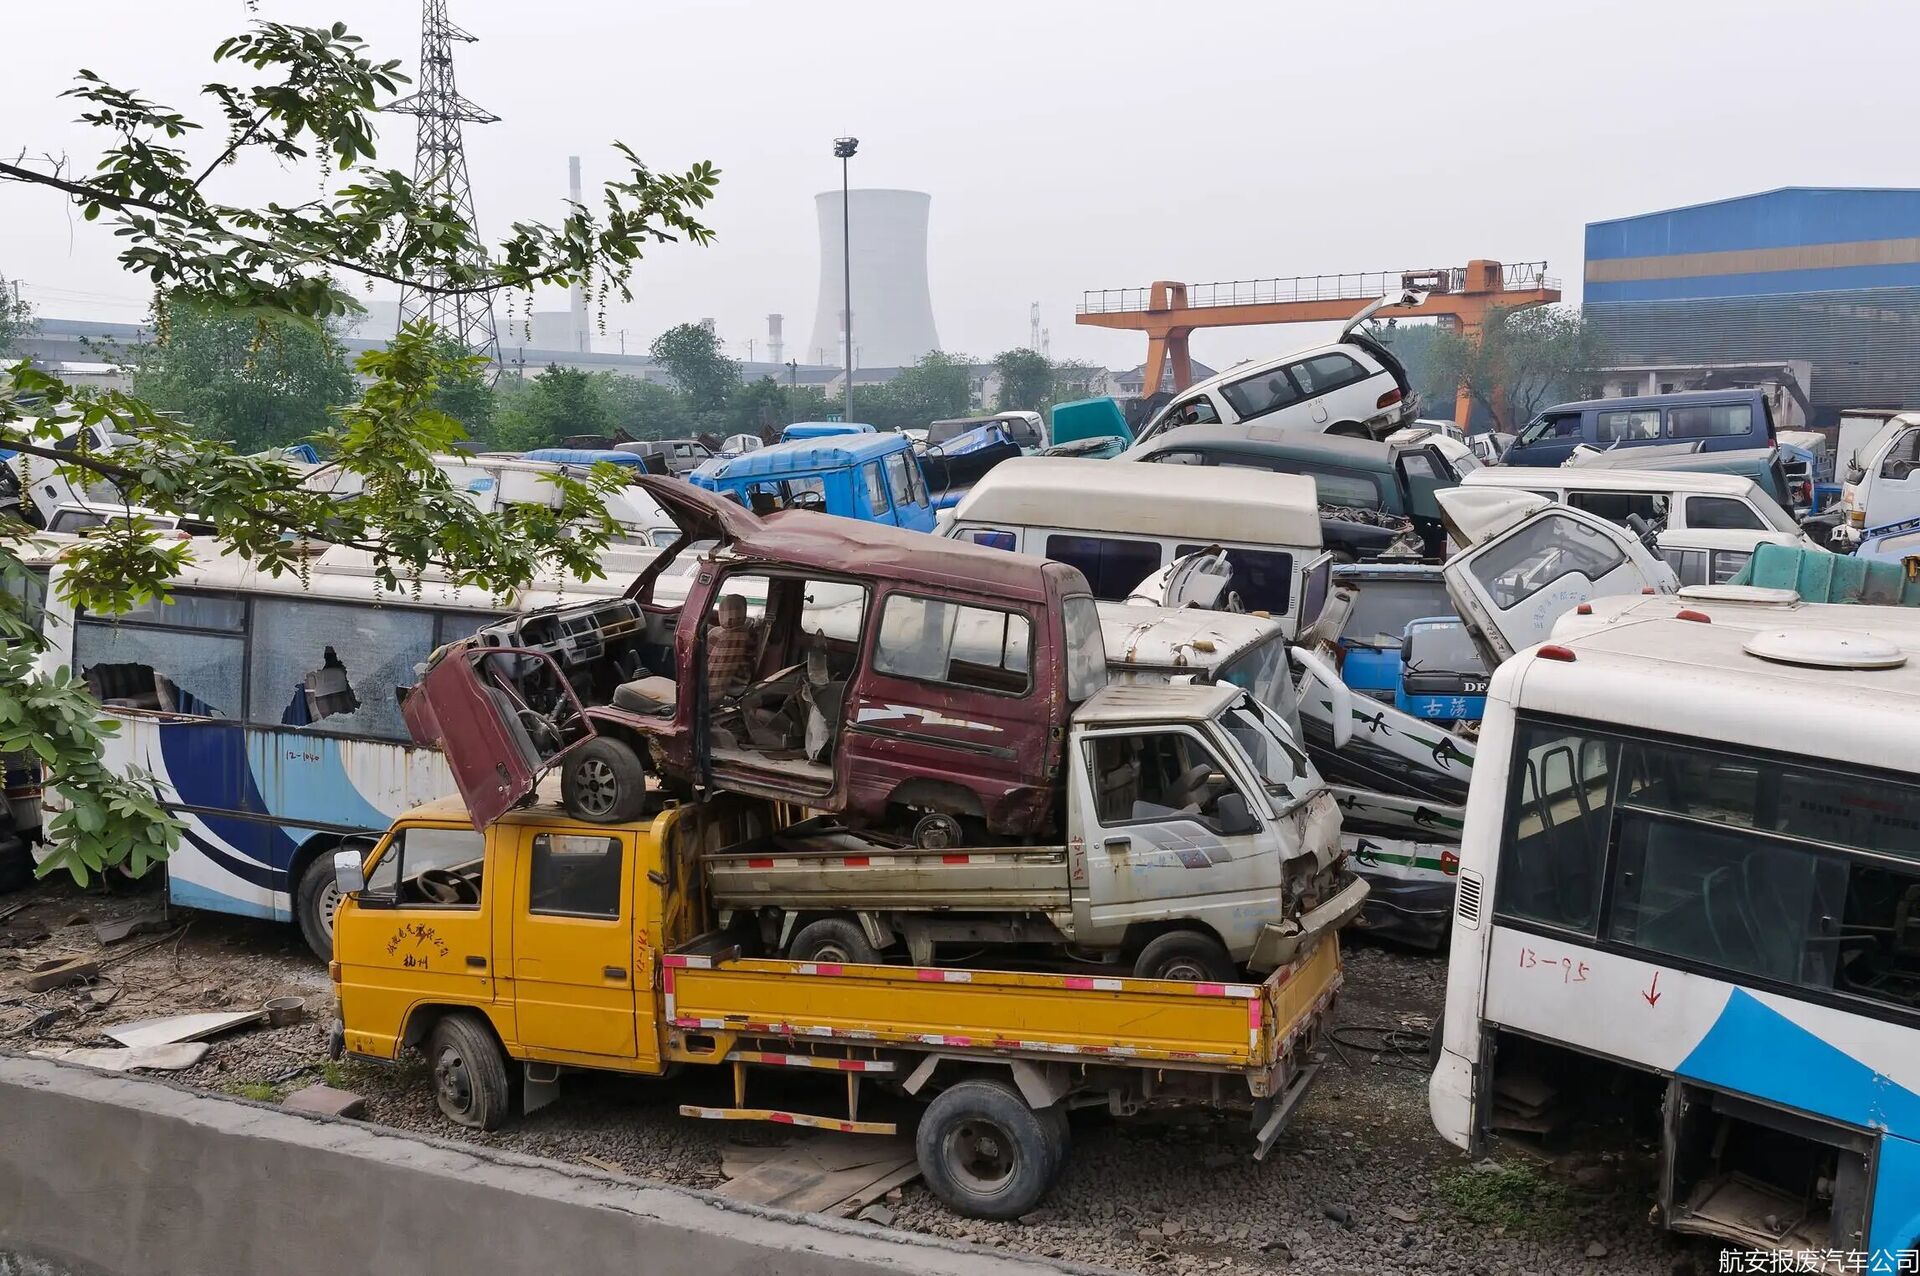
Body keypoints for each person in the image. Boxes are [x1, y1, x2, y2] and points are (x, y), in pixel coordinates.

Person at [706, 594, 759, 698]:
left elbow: (716, 676)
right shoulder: (749, 633)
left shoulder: (721, 636)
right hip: (741, 684)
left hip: (724, 693)